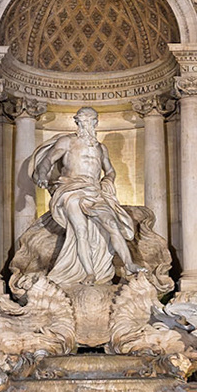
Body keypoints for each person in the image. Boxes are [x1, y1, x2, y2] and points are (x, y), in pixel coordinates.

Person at [25, 106, 144, 287]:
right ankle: (89, 272)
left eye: (91, 121)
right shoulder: (67, 142)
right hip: (71, 190)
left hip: (95, 191)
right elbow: (48, 159)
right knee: (80, 231)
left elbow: (110, 171)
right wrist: (41, 174)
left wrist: (107, 182)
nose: (87, 125)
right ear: (77, 122)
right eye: (83, 121)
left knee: (112, 224)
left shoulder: (101, 148)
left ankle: (129, 264)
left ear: (96, 122)